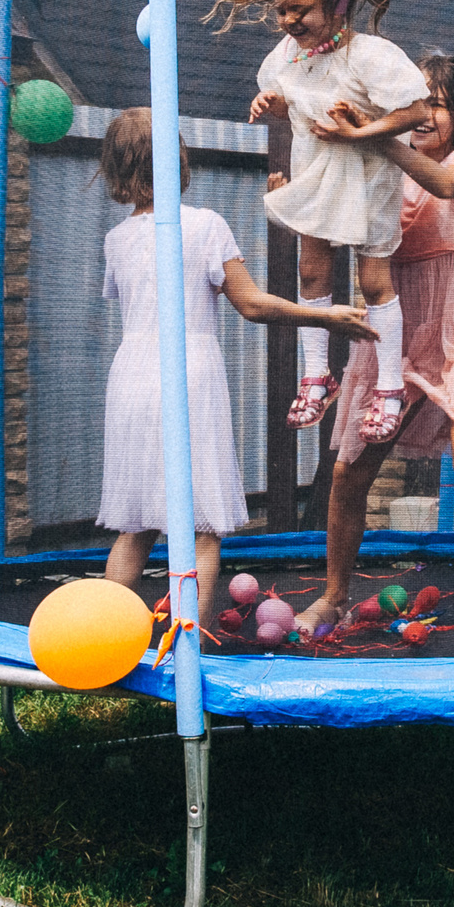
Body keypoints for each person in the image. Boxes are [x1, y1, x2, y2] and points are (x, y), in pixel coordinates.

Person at [298, 56, 454, 656]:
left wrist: (380, 139)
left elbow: (444, 187)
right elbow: (336, 219)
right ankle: (334, 595)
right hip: (396, 332)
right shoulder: (384, 171)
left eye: (438, 103)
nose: (426, 113)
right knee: (349, 469)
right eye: (417, 102)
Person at [95, 110, 375, 631]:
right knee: (202, 528)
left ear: (114, 169)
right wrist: (323, 315)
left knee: (135, 527)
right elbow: (251, 305)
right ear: (177, 160)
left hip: (131, 375)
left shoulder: (117, 238)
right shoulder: (204, 225)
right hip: (187, 373)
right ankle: (189, 650)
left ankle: (100, 636)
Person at [221, 0, 432, 445]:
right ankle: (318, 374)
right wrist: (272, 105)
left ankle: (388, 387)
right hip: (315, 171)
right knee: (311, 270)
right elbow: (288, 98)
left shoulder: (371, 56)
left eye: (302, 9)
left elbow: (417, 111)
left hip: (365, 178)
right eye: (283, 11)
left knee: (374, 280)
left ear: (336, 3)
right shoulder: (286, 59)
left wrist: (359, 130)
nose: (290, 21)